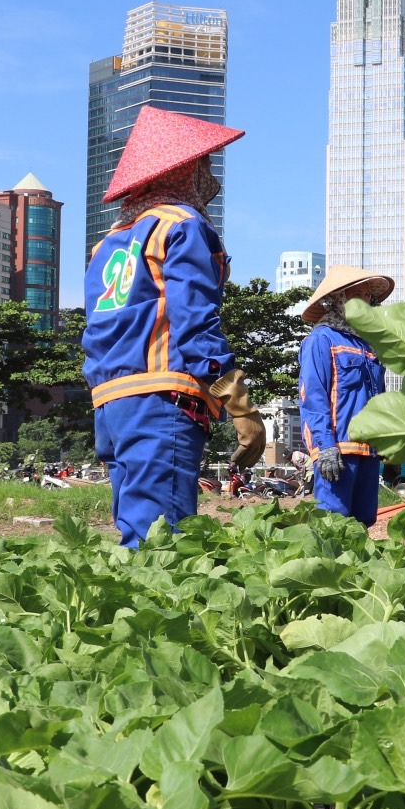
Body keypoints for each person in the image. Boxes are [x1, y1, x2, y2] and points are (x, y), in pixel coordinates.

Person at [82, 105, 266, 547]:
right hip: (162, 399)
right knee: (161, 543)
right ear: (185, 170)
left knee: (136, 529)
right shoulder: (183, 225)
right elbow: (195, 324)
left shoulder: (106, 244)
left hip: (111, 404)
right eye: (204, 163)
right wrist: (240, 405)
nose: (210, 177)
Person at [297, 266, 393, 526]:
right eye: (355, 295)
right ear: (338, 299)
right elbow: (313, 397)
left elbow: (379, 398)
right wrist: (325, 446)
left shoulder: (368, 346)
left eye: (366, 295)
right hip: (337, 448)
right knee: (333, 522)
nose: (363, 301)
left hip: (368, 449)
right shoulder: (321, 339)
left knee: (364, 521)